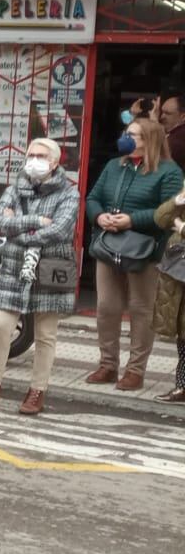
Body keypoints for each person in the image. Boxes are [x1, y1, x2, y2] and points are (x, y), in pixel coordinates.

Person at [0, 139, 81, 414]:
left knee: (45, 335)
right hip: (15, 268)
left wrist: (20, 233)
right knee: (0, 328)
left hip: (50, 268)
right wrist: (35, 223)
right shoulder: (14, 189)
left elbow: (61, 230)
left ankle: (37, 391)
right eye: (30, 155)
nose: (34, 160)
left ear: (54, 162)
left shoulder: (69, 193)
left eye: (41, 155)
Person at [84, 116, 182, 392]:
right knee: (107, 308)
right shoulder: (115, 165)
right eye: (127, 132)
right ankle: (107, 364)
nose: (127, 138)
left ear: (149, 140)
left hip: (146, 251)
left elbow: (169, 210)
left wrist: (132, 220)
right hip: (109, 246)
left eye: (134, 135)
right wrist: (99, 216)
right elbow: (93, 197)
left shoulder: (169, 171)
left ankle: (135, 370)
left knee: (141, 310)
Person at [149, 182, 185, 404]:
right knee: (183, 336)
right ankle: (182, 387)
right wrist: (176, 201)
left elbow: (173, 225)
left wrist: (181, 227)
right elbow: (160, 219)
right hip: (177, 275)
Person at [160, 93, 185, 168]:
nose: (161, 117)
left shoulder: (179, 138)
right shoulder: (172, 133)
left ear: (183, 117)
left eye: (167, 113)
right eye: (162, 112)